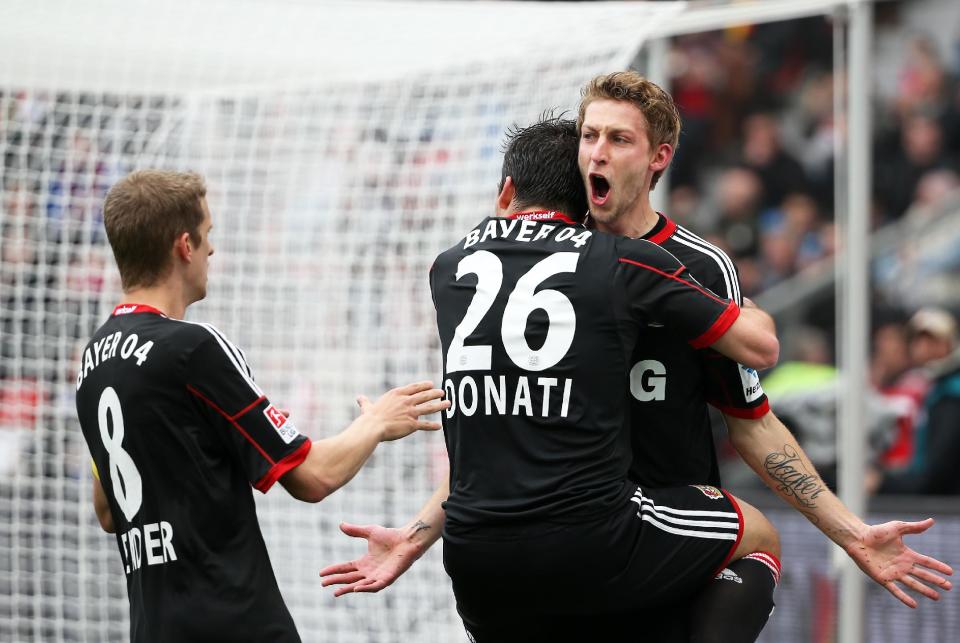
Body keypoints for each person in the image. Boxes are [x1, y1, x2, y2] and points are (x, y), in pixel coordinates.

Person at [322, 74, 953, 642]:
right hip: (576, 533)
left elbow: (752, 420)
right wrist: (416, 534)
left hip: (662, 538)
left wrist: (850, 531)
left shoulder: (700, 265)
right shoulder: (541, 261)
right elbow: (495, 426)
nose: (596, 151)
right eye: (589, 135)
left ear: (658, 159)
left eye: (618, 139)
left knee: (753, 544)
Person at [75, 170, 449, 643]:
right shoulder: (193, 348)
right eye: (207, 234)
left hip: (154, 627)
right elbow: (312, 477)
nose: (212, 249)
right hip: (233, 622)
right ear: (183, 246)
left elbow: (109, 512)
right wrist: (374, 422)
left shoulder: (93, 360)